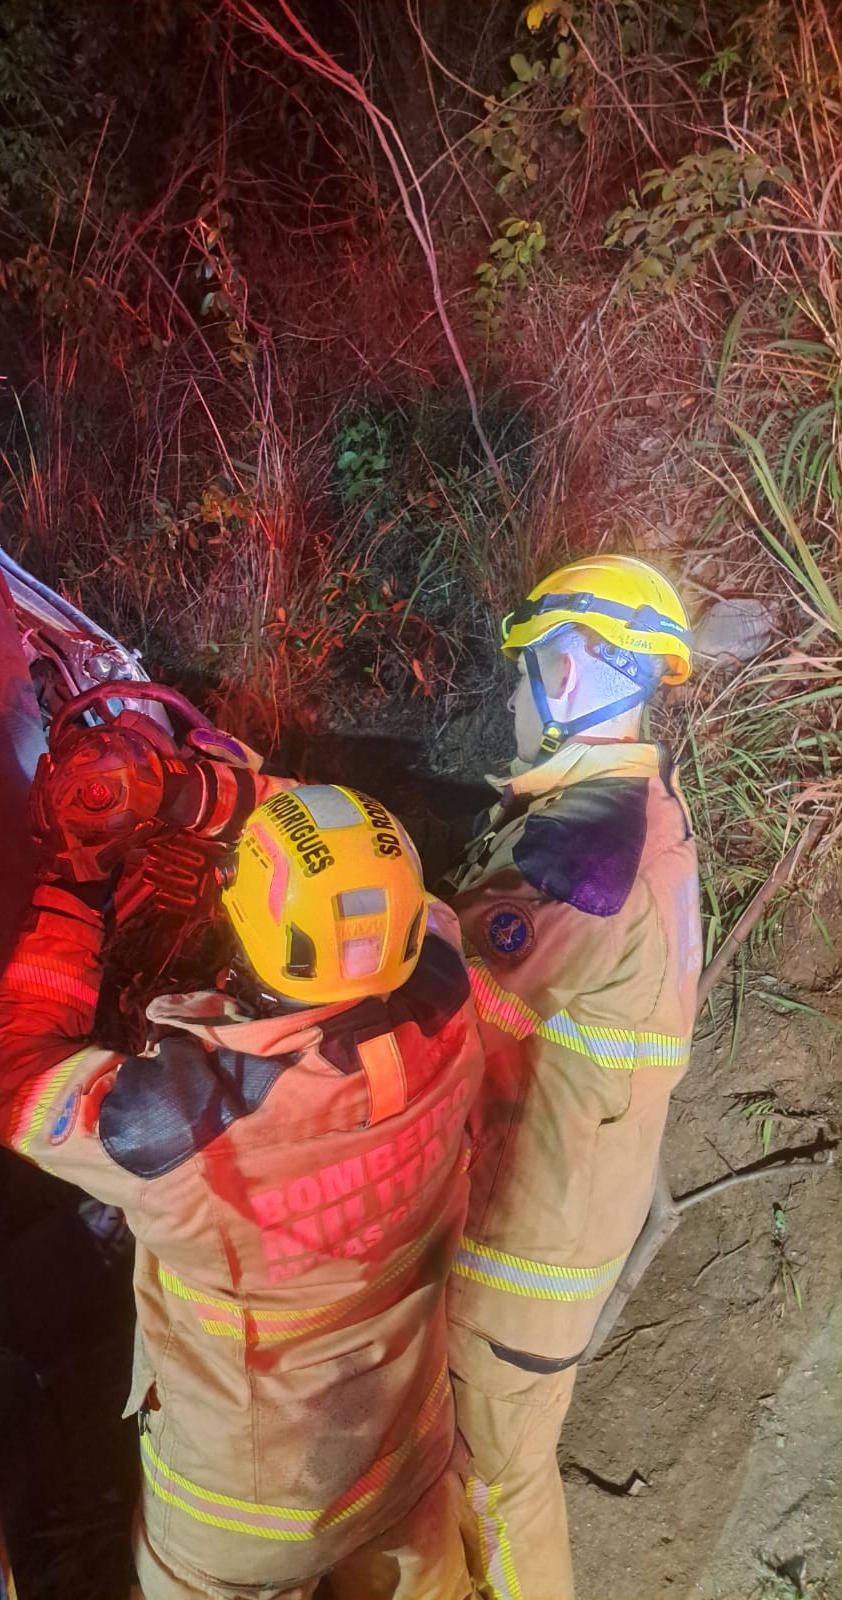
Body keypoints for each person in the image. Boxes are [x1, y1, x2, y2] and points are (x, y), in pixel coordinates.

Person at [0, 773, 486, 1600]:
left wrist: (75, 889)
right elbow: (360, 858)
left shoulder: (175, 1127)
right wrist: (205, 791)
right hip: (405, 1457)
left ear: (242, 925)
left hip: (246, 1516)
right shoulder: (448, 1000)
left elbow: (16, 1083)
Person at [442, 554, 701, 1599]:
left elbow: (449, 1015)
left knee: (494, 1485)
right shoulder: (630, 819)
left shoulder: (582, 866)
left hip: (520, 1252)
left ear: (578, 669)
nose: (514, 691)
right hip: (566, 1209)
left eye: (530, 667)